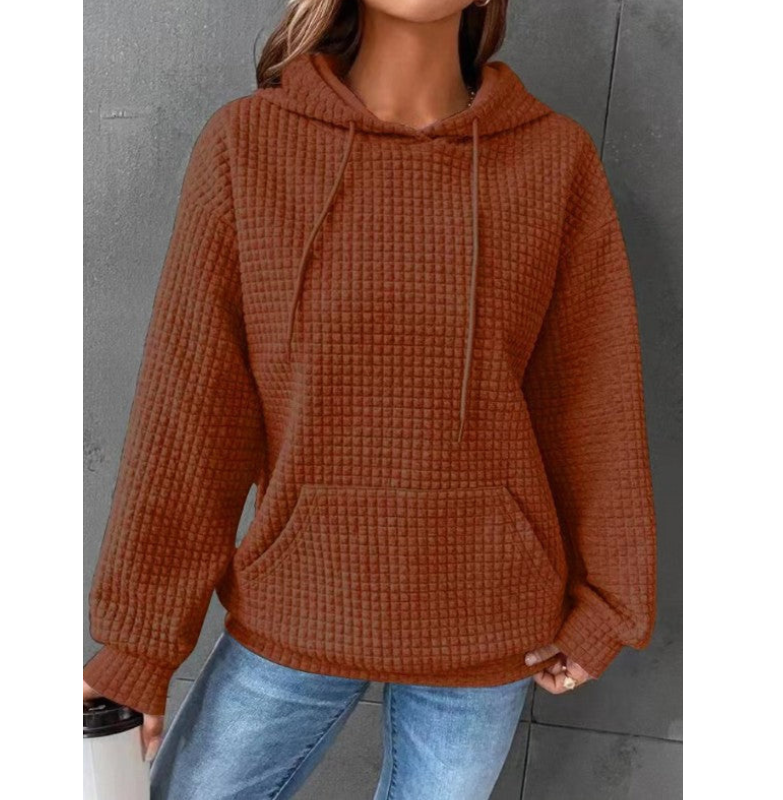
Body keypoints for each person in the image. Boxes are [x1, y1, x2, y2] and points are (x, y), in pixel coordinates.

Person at [83, 1, 657, 797]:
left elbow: (591, 399)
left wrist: (609, 602)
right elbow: (191, 410)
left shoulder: (553, 160)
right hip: (301, 602)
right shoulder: (249, 146)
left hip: (486, 617)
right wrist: (138, 644)